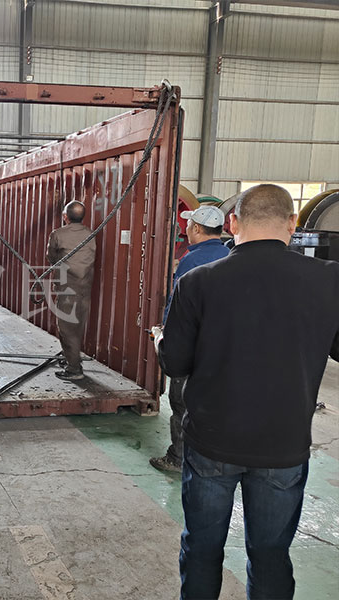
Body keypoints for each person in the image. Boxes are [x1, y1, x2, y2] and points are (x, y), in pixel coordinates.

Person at [152, 184, 339, 599]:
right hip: (283, 445)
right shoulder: (329, 279)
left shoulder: (198, 281)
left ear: (233, 223)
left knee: (202, 549)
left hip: (212, 442)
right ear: (292, 223)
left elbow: (175, 364)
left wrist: (160, 339)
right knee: (271, 555)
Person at [150, 204, 229, 473]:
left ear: (196, 228)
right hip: (220, 347)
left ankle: (177, 457)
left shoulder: (191, 260)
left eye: (189, 225)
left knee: (182, 403)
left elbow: (178, 304)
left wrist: (164, 332)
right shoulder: (229, 255)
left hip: (192, 343)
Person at [46, 201, 96, 381]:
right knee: (77, 326)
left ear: (65, 217)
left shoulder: (58, 234)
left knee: (67, 329)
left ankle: (74, 369)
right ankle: (70, 358)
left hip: (67, 288)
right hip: (84, 288)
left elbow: (51, 257)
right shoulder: (90, 234)